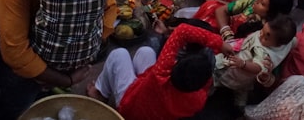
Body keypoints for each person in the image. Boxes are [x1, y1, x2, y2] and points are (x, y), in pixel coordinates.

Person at [96, 22, 226, 120]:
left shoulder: (162, 73)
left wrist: (220, 43)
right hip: (152, 106)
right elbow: (207, 79)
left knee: (119, 54)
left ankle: (100, 93)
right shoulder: (199, 99)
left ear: (177, 65)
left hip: (130, 108)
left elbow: (182, 31)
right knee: (145, 52)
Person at [214, 15, 297, 106]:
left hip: (236, 69)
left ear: (278, 44)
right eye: (262, 31)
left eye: (266, 38)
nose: (261, 36)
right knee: (242, 88)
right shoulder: (289, 42)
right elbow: (294, 41)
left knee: (216, 76)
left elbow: (258, 67)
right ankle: (240, 105)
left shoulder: (262, 51)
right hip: (247, 79)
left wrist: (243, 64)